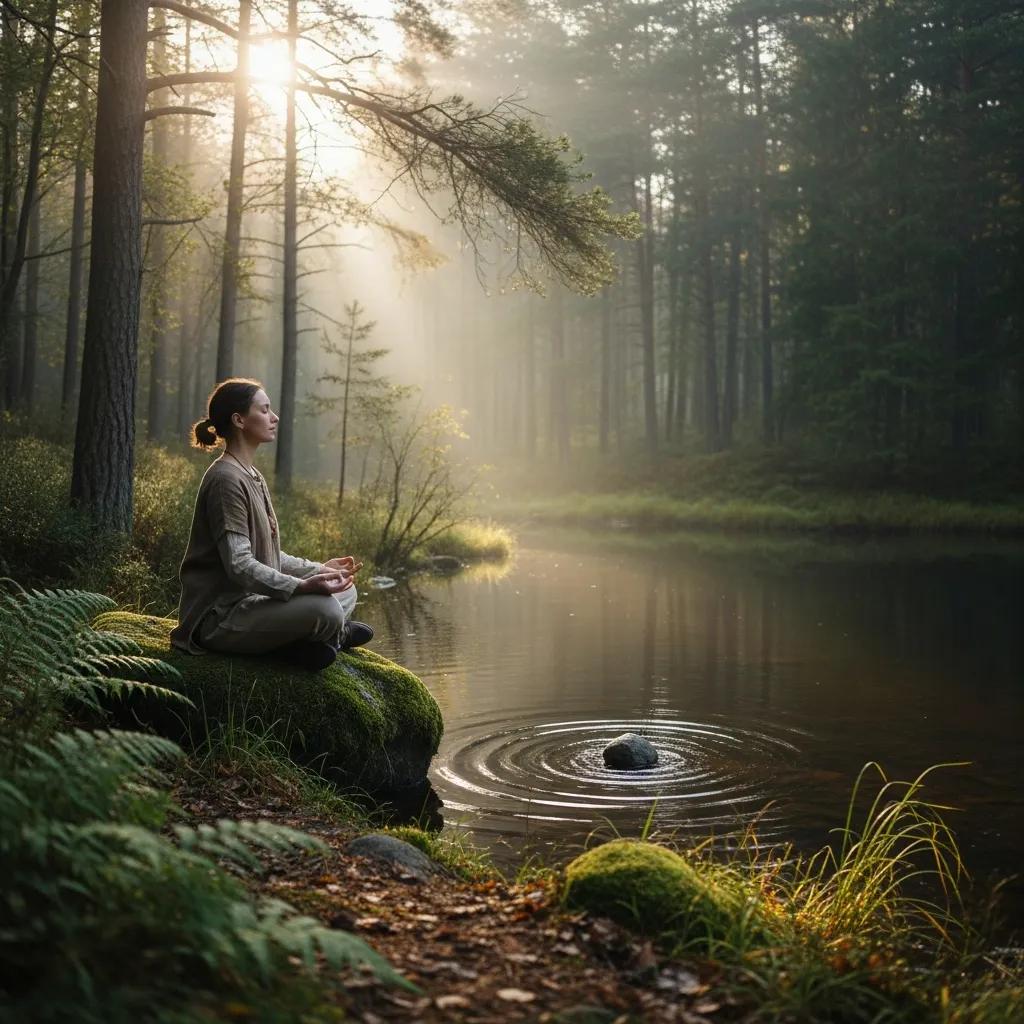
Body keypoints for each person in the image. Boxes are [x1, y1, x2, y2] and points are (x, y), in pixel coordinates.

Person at [170, 377, 373, 671]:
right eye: (264, 410)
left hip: (253, 604)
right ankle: (331, 636)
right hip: (219, 617)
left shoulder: (252, 475)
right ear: (239, 420)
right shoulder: (226, 480)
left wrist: (320, 571)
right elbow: (239, 565)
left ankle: (314, 642)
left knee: (345, 590)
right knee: (327, 609)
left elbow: (270, 557)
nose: (274, 417)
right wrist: (301, 587)